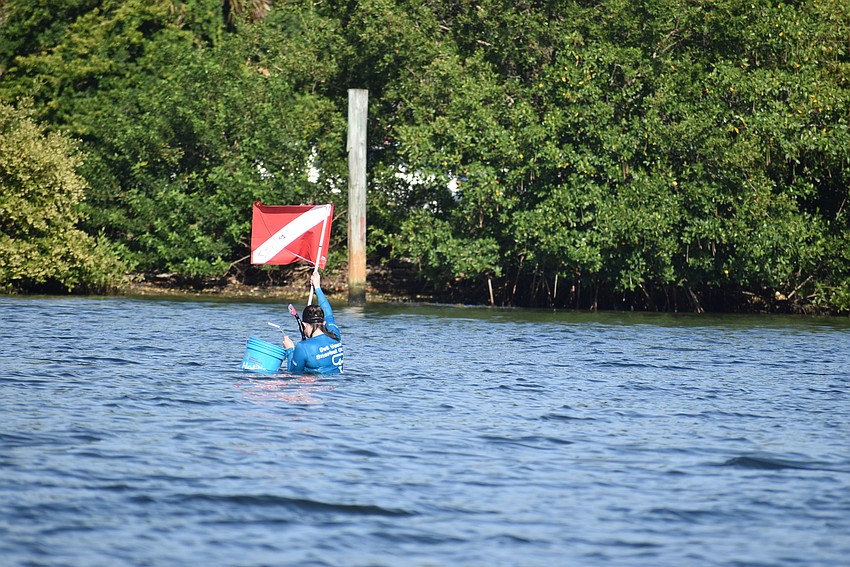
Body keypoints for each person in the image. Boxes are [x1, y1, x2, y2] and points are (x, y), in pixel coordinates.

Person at [282, 272, 343, 374]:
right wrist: (317, 287)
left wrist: (290, 349)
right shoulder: (335, 335)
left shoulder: (303, 347)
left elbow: (293, 374)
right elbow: (329, 314)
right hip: (336, 386)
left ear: (304, 324)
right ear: (323, 323)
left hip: (317, 388)